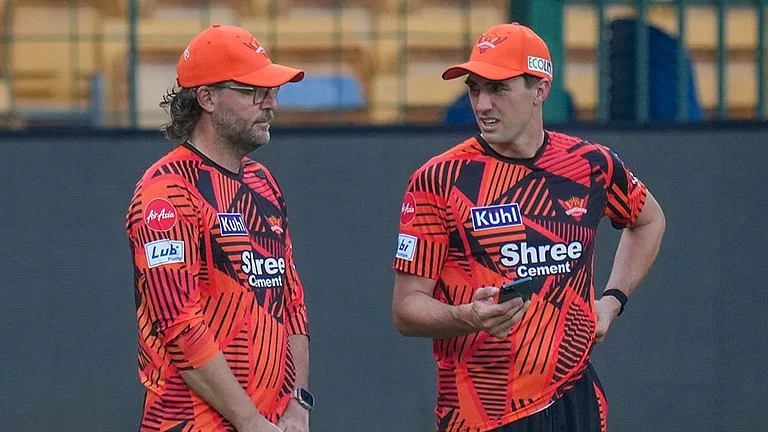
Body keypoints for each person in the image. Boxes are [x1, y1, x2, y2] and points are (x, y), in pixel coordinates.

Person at [392, 22, 666, 432]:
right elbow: (406, 309)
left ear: (540, 89)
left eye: (498, 88)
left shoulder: (592, 166)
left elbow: (649, 220)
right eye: (474, 88)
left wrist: (611, 302)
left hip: (575, 397)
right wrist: (471, 315)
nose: (482, 104)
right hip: (481, 412)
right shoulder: (438, 179)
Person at [126, 24, 314, 432]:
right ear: (207, 98)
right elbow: (178, 323)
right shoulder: (166, 189)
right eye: (253, 92)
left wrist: (299, 404)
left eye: (273, 92)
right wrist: (248, 420)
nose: (270, 104)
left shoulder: (263, 182)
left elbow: (291, 303)